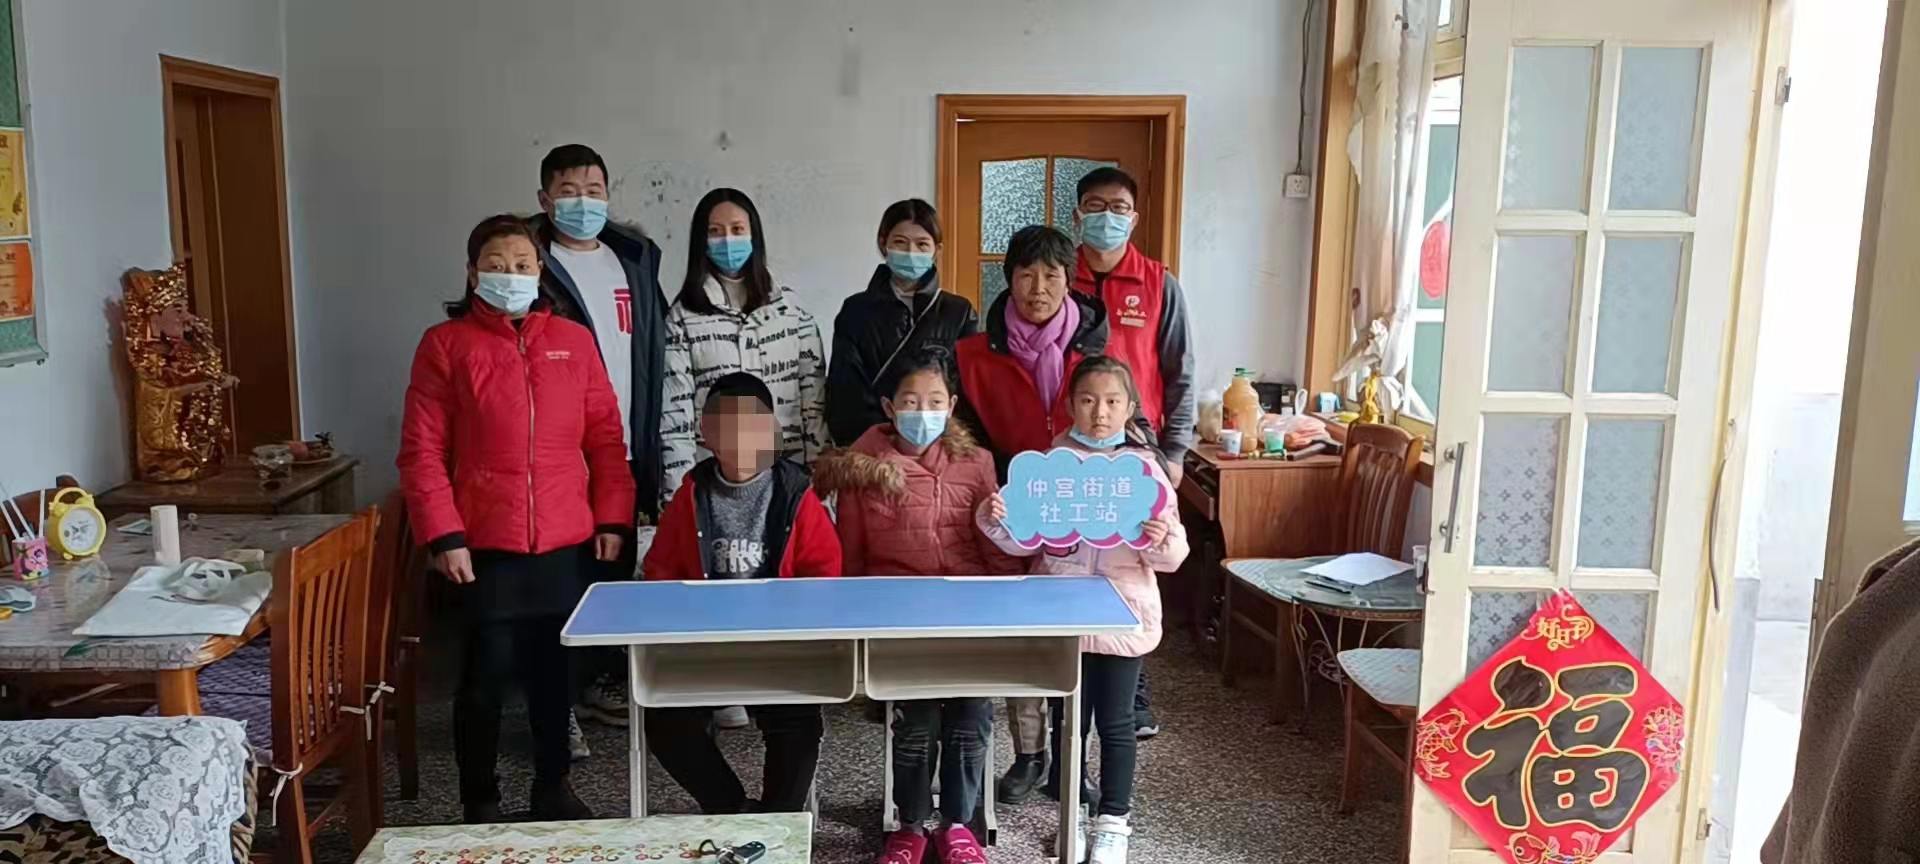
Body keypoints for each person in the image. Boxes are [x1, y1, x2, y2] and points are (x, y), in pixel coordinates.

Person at [397, 214, 634, 824]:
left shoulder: (574, 342)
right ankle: (479, 799)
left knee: (555, 677)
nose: (511, 275)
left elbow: (606, 440)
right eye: (497, 265)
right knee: (484, 681)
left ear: (540, 271)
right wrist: (443, 535)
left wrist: (613, 518)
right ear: (472, 272)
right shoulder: (445, 345)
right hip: (483, 545)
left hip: (565, 541)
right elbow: (422, 452)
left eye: (523, 265)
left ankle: (553, 787)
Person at [976, 355, 1189, 864]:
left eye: (1113, 401)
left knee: (1116, 723)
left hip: (1122, 616)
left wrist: (1159, 539)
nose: (1100, 412)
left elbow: (1173, 556)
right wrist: (995, 518)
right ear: (1070, 404)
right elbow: (1022, 543)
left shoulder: (1145, 472)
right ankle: (1070, 812)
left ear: (1131, 408)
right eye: (1089, 400)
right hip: (1060, 615)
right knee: (1066, 721)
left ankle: (1113, 821)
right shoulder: (1049, 467)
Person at [813, 344, 1014, 864]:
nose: (922, 412)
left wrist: (1000, 528)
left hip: (968, 617)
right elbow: (851, 559)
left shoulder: (977, 463)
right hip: (898, 619)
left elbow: (998, 555)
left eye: (935, 401)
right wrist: (853, 632)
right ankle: (909, 826)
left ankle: (958, 826)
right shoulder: (862, 469)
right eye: (910, 401)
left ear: (952, 406)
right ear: (888, 406)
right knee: (917, 725)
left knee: (971, 719)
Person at [951, 225, 1119, 806]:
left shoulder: (1096, 352)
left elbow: (1128, 420)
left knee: (1077, 641)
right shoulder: (973, 355)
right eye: (1026, 274)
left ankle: (1073, 759)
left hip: (1083, 517)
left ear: (1070, 281)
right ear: (1009, 279)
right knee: (1024, 639)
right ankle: (1029, 755)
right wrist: (1001, 496)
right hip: (1013, 512)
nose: (1038, 287)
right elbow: (965, 439)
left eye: (1051, 275)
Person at [641, 372, 842, 813]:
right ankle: (733, 811)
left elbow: (824, 574)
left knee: (798, 722)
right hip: (705, 646)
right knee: (665, 722)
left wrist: (790, 624)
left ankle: (777, 823)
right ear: (706, 432)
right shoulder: (690, 495)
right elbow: (660, 572)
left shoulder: (797, 495)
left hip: (780, 645)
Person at [525, 143, 669, 739]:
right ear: (544, 199)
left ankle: (596, 684)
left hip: (625, 444)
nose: (582, 203)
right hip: (558, 456)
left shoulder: (632, 260)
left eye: (593, 191)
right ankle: (554, 702)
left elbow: (653, 352)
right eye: (568, 192)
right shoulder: (531, 265)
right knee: (559, 581)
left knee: (612, 570)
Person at [1070, 167, 1195, 741]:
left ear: (1134, 217)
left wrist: (1175, 453)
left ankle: (1132, 690)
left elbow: (1180, 372)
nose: (1107, 216)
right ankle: (1068, 691)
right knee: (1076, 561)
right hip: (1073, 447)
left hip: (1139, 449)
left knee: (1136, 561)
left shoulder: (1158, 282)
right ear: (1077, 214)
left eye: (1118, 207)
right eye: (1095, 206)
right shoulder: (1059, 277)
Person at [825, 199, 978, 447]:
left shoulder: (958, 312)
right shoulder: (855, 310)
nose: (911, 252)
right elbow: (845, 392)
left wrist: (937, 444)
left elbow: (966, 394)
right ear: (883, 243)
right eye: (900, 242)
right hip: (870, 448)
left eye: (922, 244)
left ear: (937, 250)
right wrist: (883, 443)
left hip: (940, 448)